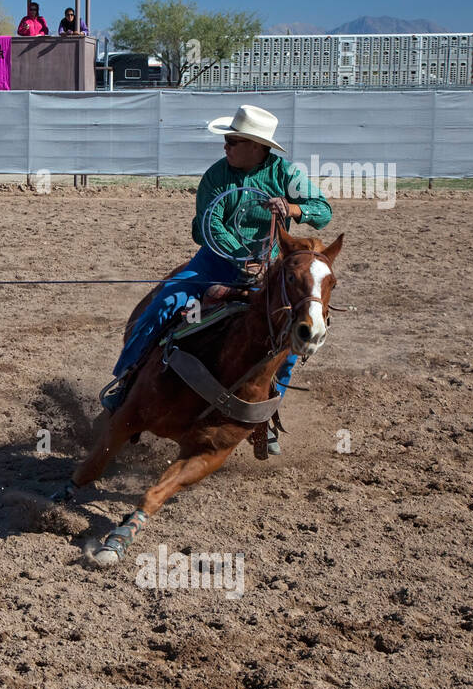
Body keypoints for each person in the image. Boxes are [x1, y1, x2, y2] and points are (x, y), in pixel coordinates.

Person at [103, 104, 332, 455]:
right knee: (163, 306)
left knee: (286, 342)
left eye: (232, 141)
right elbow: (211, 226)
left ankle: (265, 416)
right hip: (213, 265)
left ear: (256, 146)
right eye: (227, 141)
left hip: (267, 274)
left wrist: (294, 209)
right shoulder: (215, 176)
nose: (225, 147)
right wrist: (244, 258)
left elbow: (323, 209)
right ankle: (123, 383)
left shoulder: (286, 174)